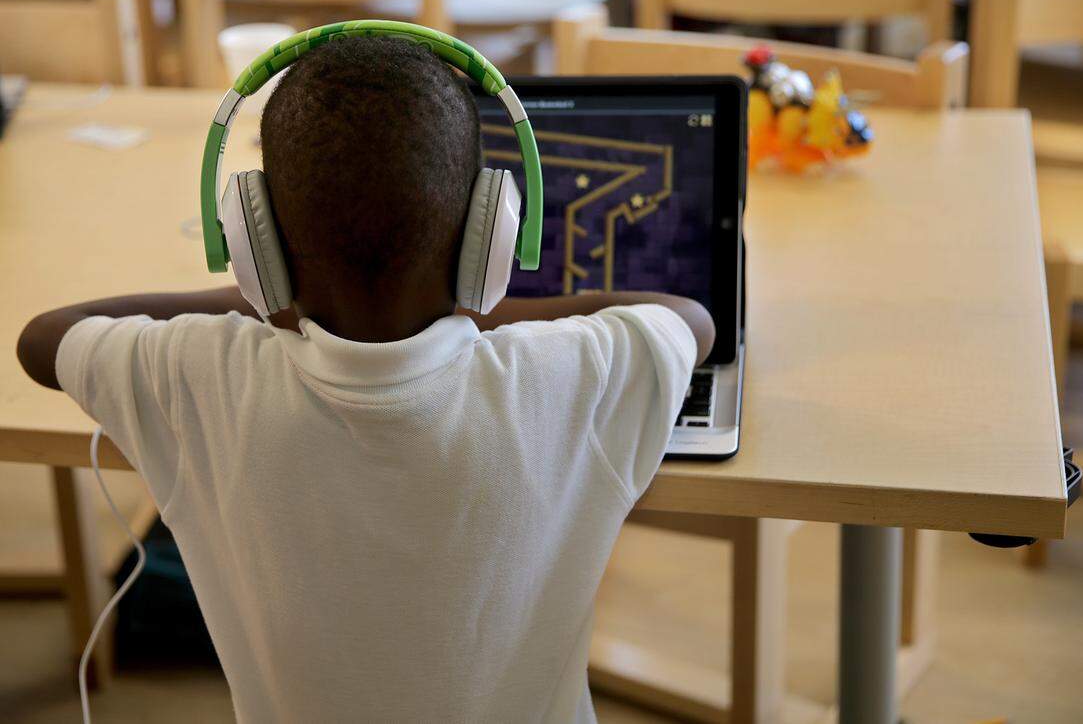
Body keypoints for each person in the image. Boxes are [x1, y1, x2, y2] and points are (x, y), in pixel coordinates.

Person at [16, 36, 714, 722]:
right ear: (487, 237)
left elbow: (44, 339)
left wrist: (263, 302)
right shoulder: (571, 375)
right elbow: (688, 320)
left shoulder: (200, 377)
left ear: (258, 245)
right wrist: (487, 306)